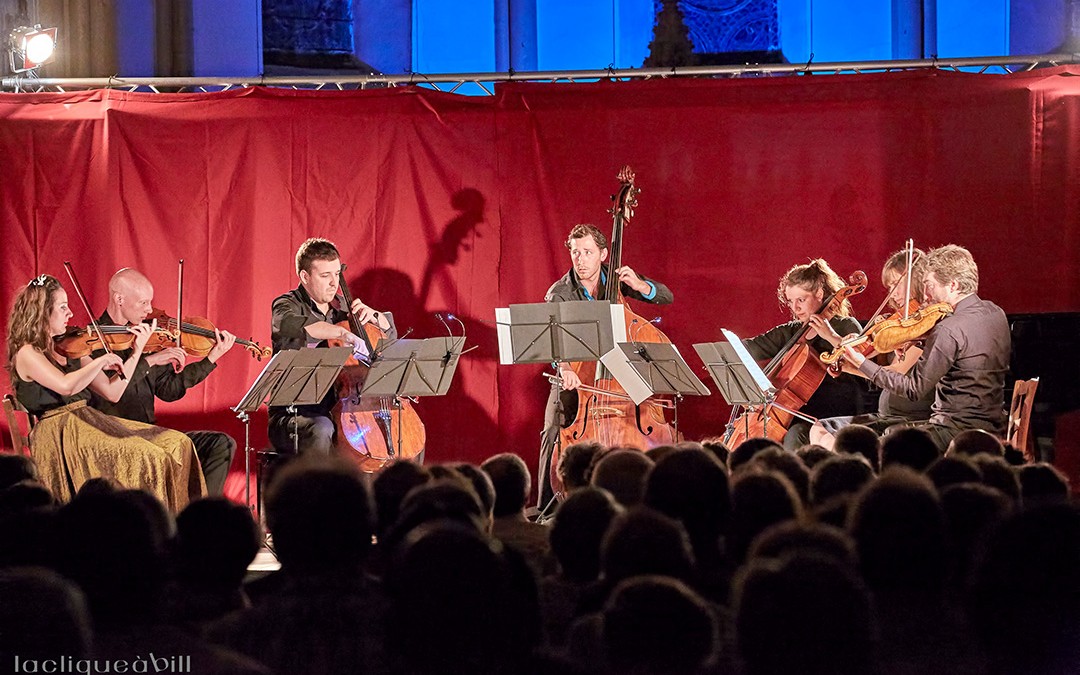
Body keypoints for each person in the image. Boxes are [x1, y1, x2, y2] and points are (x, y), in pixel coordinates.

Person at [5, 274, 206, 509]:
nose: (70, 313)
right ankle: (152, 534)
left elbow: (113, 391)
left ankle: (182, 529)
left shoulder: (70, 345)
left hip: (88, 422)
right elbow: (66, 385)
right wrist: (98, 363)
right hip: (60, 434)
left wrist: (137, 352)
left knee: (179, 443)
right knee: (154, 457)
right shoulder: (28, 353)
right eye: (62, 307)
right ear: (41, 312)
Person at [537, 223, 673, 508]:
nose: (580, 259)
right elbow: (554, 341)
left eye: (587, 252)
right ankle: (547, 506)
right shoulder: (560, 292)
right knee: (552, 430)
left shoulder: (616, 278)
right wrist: (564, 369)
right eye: (575, 252)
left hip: (620, 374)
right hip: (577, 375)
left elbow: (665, 296)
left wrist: (640, 286)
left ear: (602, 254)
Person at [841, 244, 1010, 450]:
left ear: (953, 285)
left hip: (955, 431)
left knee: (884, 445)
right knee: (890, 434)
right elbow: (965, 352)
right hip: (992, 425)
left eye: (930, 285)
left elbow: (913, 389)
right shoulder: (995, 312)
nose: (926, 294)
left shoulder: (948, 329)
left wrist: (861, 362)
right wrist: (919, 340)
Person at [90, 268, 237, 495]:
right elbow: (110, 390)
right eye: (143, 303)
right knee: (169, 452)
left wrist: (211, 358)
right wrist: (148, 361)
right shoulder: (93, 341)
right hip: (116, 438)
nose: (150, 310)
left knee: (222, 444)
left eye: (150, 302)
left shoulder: (149, 337)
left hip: (150, 435)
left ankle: (201, 519)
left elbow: (169, 391)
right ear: (119, 299)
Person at [269, 238, 395, 455]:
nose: (333, 283)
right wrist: (339, 331)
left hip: (344, 408)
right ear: (305, 276)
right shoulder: (287, 304)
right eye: (325, 275)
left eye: (337, 274)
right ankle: (321, 488)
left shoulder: (343, 308)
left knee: (398, 429)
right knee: (323, 428)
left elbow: (388, 342)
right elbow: (288, 325)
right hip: (295, 414)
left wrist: (377, 318)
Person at [810, 248, 935, 449]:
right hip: (887, 415)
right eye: (890, 286)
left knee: (834, 439)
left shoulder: (925, 327)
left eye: (897, 284)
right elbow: (865, 353)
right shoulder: (902, 324)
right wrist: (849, 361)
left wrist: (836, 340)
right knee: (819, 429)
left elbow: (896, 375)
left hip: (906, 418)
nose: (892, 293)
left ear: (918, 282)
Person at [740, 259, 863, 450]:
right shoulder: (792, 331)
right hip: (797, 412)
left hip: (834, 412)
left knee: (795, 435)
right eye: (790, 301)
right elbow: (750, 347)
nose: (795, 308)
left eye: (801, 300)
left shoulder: (845, 325)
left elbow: (861, 359)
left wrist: (830, 336)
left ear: (820, 294)